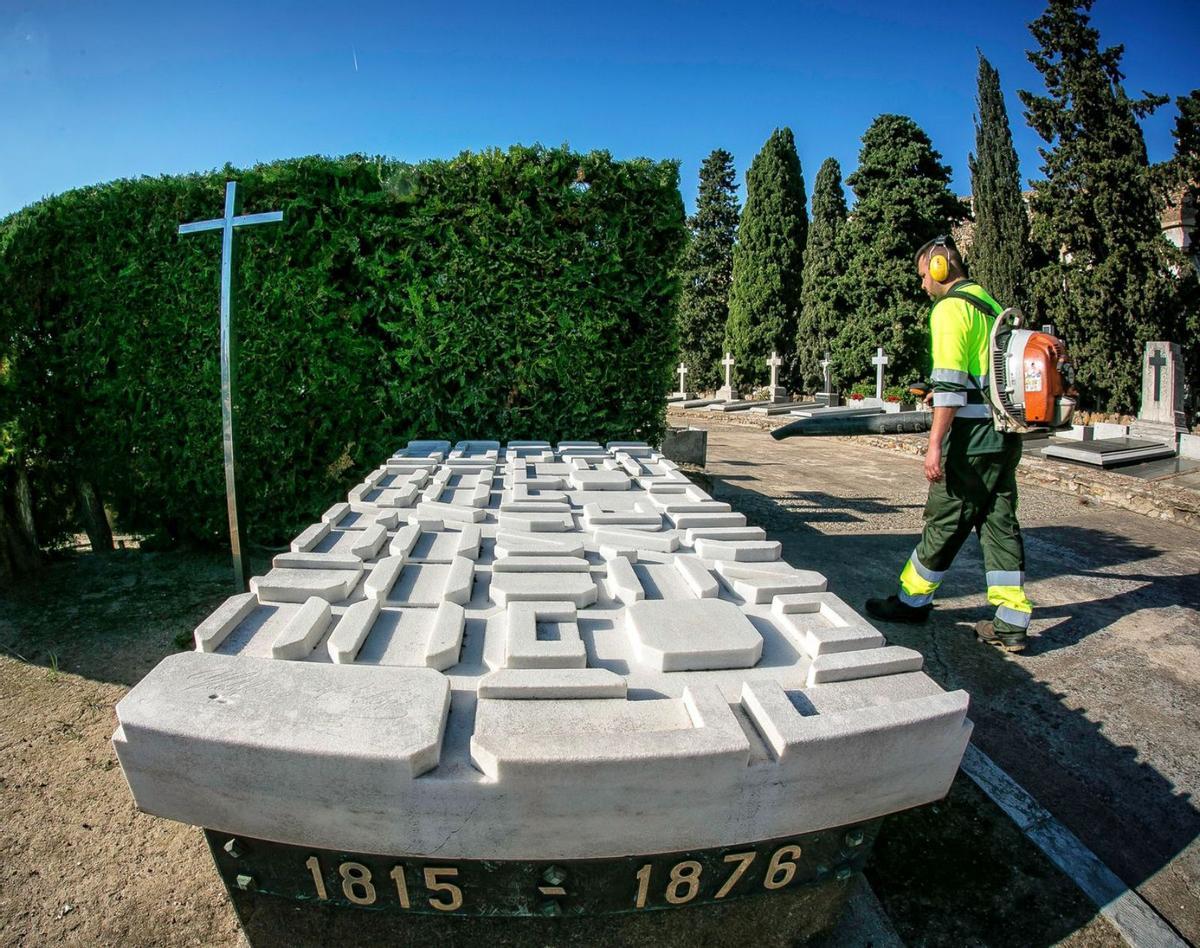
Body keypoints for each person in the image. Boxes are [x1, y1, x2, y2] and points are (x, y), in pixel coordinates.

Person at [865, 236, 1033, 652]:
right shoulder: (989, 305)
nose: (923, 285)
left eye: (924, 275)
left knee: (945, 519)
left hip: (972, 440)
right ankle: (1011, 622)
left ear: (940, 269)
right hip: (1005, 435)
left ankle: (911, 601)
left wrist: (934, 444)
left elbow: (952, 389)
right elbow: (980, 377)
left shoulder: (950, 308)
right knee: (998, 523)